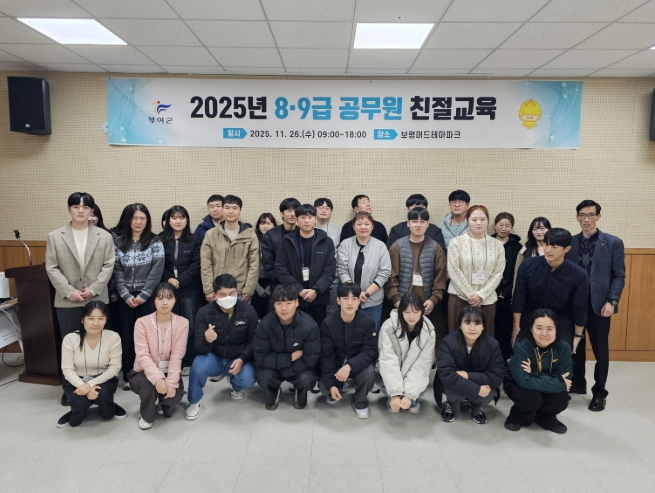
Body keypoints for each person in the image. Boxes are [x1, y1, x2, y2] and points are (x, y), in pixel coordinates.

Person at [566, 200, 625, 411]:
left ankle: (599, 393)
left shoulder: (613, 242)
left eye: (591, 215)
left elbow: (619, 276)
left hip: (600, 306)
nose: (586, 219)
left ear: (598, 216)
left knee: (601, 351)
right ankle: (578, 383)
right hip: (575, 305)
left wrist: (612, 301)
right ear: (577, 217)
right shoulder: (570, 242)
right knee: (575, 347)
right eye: (582, 215)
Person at [185, 274, 258, 420]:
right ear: (215, 295)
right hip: (214, 358)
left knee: (248, 377)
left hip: (237, 358)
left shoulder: (249, 311)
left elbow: (253, 342)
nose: (228, 298)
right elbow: (198, 348)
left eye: (232, 293)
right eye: (222, 294)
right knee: (198, 365)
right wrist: (207, 340)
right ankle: (194, 401)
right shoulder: (204, 313)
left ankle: (236, 387)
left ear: (237, 292)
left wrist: (242, 359)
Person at [46, 192, 115, 338]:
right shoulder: (55, 236)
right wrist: (69, 291)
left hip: (97, 298)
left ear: (91, 210)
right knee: (71, 341)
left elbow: (109, 265)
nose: (80, 211)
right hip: (67, 300)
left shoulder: (105, 236)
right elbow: (52, 267)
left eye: (85, 207)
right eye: (76, 207)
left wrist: (94, 289)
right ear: (69, 209)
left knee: (99, 341)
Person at [112, 203, 165, 389]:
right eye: (134, 218)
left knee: (148, 336)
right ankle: (130, 375)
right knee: (127, 336)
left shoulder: (155, 241)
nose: (138, 222)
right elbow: (116, 270)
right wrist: (125, 295)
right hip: (125, 298)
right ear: (127, 220)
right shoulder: (118, 243)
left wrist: (144, 294)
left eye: (142, 218)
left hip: (148, 297)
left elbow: (157, 269)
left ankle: (150, 373)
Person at [512, 228, 589, 350]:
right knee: (522, 349)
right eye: (546, 244)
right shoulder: (527, 265)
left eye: (554, 247)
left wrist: (578, 335)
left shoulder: (579, 274)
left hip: (561, 318)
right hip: (530, 315)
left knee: (564, 350)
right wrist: (516, 327)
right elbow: (518, 299)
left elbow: (580, 307)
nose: (548, 250)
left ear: (567, 249)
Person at [57, 301, 126, 427]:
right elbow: (67, 369)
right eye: (90, 318)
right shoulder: (70, 339)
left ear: (106, 320)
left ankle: (110, 405)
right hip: (77, 380)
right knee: (75, 420)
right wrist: (82, 385)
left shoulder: (113, 337)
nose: (95, 323)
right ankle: (76, 410)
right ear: (82, 319)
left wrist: (89, 385)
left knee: (107, 414)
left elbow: (114, 368)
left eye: (101, 318)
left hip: (103, 379)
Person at [130, 282, 188, 430]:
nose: (164, 302)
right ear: (154, 300)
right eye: (160, 298)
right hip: (142, 372)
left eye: (169, 298)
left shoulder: (183, 323)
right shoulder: (141, 323)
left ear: (175, 300)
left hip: (169, 371)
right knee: (148, 386)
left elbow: (177, 356)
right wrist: (158, 379)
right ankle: (146, 414)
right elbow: (143, 355)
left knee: (172, 398)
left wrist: (171, 383)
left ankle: (163, 402)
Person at [253, 284, 320, 410]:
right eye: (279, 304)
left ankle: (300, 390)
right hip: (276, 367)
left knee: (307, 379)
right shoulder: (264, 325)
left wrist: (283, 370)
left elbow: (311, 359)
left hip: (294, 368)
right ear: (274, 305)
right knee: (263, 377)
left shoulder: (309, 326)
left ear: (296, 303)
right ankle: (273, 390)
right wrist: (290, 358)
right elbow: (261, 358)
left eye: (288, 303)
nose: (283, 308)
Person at [504, 309, 572, 434]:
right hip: (516, 382)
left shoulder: (564, 348)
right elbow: (523, 380)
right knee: (531, 398)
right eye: (539, 328)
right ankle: (518, 416)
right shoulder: (522, 345)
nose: (544, 333)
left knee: (562, 398)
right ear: (531, 328)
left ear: (556, 329)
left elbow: (566, 378)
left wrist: (533, 373)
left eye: (549, 329)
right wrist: (557, 382)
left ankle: (545, 417)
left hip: (533, 380)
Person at [434, 306, 505, 424]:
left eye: (477, 324)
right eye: (467, 323)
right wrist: (477, 390)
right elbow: (447, 375)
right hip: (456, 385)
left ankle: (475, 405)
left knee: (488, 392)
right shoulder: (448, 342)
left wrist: (468, 375)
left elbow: (497, 375)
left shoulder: (492, 345)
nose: (472, 328)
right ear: (460, 325)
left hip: (478, 383)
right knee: (452, 388)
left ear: (483, 326)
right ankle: (451, 404)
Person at [386, 207, 447, 342]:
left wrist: (433, 300)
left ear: (428, 224)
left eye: (422, 221)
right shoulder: (397, 246)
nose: (418, 225)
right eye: (414, 221)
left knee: (424, 341)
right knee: (401, 340)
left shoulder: (436, 248)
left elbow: (440, 276)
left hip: (426, 304)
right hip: (402, 302)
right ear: (408, 223)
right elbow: (391, 276)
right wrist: (396, 300)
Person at [319, 282, 378, 419]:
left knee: (370, 373)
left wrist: (349, 366)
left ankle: (360, 400)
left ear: (359, 301)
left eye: (354, 298)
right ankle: (338, 387)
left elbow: (370, 351)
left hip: (356, 366)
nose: (350, 303)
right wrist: (331, 385)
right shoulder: (328, 323)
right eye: (345, 298)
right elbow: (326, 356)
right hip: (336, 365)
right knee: (324, 386)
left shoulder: (367, 321)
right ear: (338, 300)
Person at [446, 205, 505, 336]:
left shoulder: (497, 245)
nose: (478, 223)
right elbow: (454, 270)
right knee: (458, 339)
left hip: (486, 300)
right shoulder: (456, 242)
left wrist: (481, 295)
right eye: (474, 219)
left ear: (488, 221)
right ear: (467, 221)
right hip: (459, 298)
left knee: (484, 339)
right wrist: (471, 295)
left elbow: (498, 273)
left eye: (482, 219)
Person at [275, 204, 335, 327]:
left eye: (310, 217)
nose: (307, 221)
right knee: (295, 331)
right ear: (297, 219)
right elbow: (281, 269)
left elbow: (329, 270)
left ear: (315, 219)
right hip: (294, 297)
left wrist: (316, 290)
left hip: (318, 297)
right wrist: (299, 290)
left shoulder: (326, 241)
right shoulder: (287, 242)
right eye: (302, 217)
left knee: (317, 330)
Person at [160, 205, 203, 375]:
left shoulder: (195, 239)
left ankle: (188, 360)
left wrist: (180, 281)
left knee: (189, 324)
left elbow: (197, 264)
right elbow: (158, 264)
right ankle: (168, 360)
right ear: (168, 220)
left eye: (181, 218)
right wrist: (169, 279)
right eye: (174, 218)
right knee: (167, 324)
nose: (178, 221)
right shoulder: (160, 239)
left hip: (189, 289)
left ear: (187, 220)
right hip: (166, 289)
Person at [378, 293, 436, 414]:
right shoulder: (388, 327)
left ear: (422, 311)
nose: (411, 316)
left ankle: (412, 397)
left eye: (416, 312)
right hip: (393, 374)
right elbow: (388, 360)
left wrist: (409, 395)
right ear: (401, 312)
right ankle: (393, 395)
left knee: (417, 388)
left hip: (414, 376)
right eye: (407, 311)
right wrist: (395, 393)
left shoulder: (429, 331)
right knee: (386, 376)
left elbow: (422, 365)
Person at [337, 211, 391, 330]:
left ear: (372, 227)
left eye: (367, 224)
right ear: (353, 226)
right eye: (359, 224)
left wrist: (366, 293)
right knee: (349, 332)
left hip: (372, 301)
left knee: (371, 333)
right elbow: (342, 269)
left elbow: (384, 273)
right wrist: (354, 293)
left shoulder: (380, 246)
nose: (363, 227)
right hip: (349, 300)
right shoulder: (345, 244)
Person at [200, 195, 259, 303]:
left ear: (240, 211)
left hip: (240, 291)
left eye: (234, 208)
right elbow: (206, 263)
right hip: (217, 290)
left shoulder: (250, 235)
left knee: (241, 315)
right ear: (222, 210)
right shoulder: (211, 234)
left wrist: (249, 289)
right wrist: (208, 289)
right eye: (227, 207)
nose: (230, 211)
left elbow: (254, 264)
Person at [491, 212, 523, 360]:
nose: (503, 229)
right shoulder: (487, 242)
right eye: (501, 225)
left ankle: (504, 360)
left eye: (507, 226)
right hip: (489, 292)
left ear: (512, 228)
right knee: (490, 327)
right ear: (495, 226)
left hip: (508, 294)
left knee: (505, 328)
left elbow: (518, 273)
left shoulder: (517, 247)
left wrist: (506, 290)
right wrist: (494, 289)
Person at [260, 198, 301, 296]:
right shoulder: (271, 235)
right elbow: (268, 265)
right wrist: (286, 283)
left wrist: (299, 286)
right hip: (279, 287)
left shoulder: (304, 233)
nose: (293, 214)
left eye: (295, 210)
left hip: (302, 287)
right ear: (282, 213)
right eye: (289, 210)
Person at [314, 198, 342, 315]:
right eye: (320, 207)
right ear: (314, 210)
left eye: (327, 208)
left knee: (332, 312)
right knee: (315, 312)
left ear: (331, 211)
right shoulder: (308, 227)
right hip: (314, 279)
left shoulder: (338, 229)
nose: (324, 210)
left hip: (333, 278)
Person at [513, 217, 551, 289]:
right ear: (531, 231)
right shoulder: (525, 250)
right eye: (535, 229)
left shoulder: (556, 249)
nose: (539, 232)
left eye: (542, 228)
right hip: (531, 289)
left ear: (549, 230)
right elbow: (517, 274)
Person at [252, 213, 277, 319]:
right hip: (255, 282)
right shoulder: (253, 242)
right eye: (262, 223)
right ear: (258, 226)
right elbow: (249, 267)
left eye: (268, 223)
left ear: (274, 225)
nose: (265, 226)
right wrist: (259, 289)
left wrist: (268, 288)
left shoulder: (278, 242)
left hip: (273, 281)